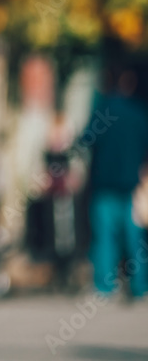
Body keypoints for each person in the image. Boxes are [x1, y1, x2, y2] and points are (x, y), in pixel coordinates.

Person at [83, 66, 148, 299]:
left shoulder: (102, 110)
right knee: (135, 239)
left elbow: (86, 140)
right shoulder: (140, 114)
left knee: (104, 239)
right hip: (132, 187)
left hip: (104, 185)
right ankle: (140, 287)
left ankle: (104, 287)